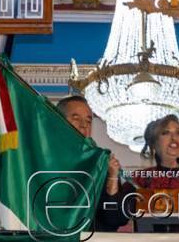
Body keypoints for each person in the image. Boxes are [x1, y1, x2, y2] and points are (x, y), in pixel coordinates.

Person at [56, 95, 132, 231]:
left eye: (88, 121)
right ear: (58, 121)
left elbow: (115, 219)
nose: (84, 125)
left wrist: (112, 178)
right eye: (76, 118)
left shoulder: (99, 164)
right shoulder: (45, 160)